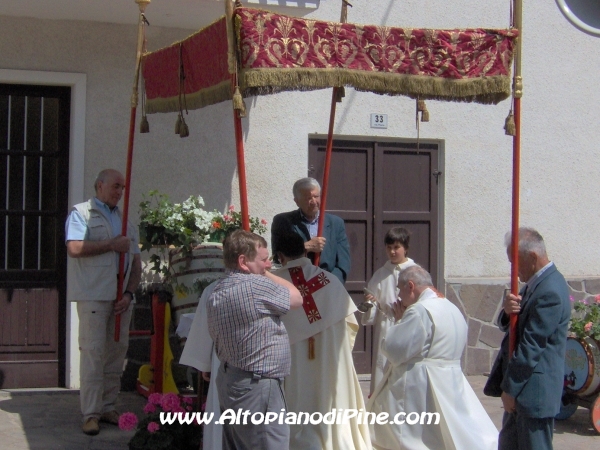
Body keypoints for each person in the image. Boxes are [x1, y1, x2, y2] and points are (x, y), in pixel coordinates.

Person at [367, 266, 498, 450]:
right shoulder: (452, 308)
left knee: (415, 439)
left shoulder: (419, 311)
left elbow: (395, 349)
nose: (398, 295)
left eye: (400, 288)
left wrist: (398, 322)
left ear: (410, 286)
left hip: (419, 387)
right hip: (450, 381)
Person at [273, 233, 371, 450]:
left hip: (294, 362)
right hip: (329, 358)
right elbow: (350, 324)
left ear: (280, 256)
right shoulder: (329, 280)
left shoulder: (274, 284)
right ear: (305, 250)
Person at [206, 230, 303, 450]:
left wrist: (258, 267)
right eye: (264, 259)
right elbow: (297, 297)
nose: (269, 264)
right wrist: (264, 274)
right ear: (243, 261)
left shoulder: (216, 290)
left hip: (230, 379)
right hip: (257, 385)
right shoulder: (255, 287)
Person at [65, 168, 141, 436]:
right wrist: (110, 244)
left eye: (122, 187)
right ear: (100, 186)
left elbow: (136, 263)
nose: (120, 191)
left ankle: (108, 406)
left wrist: (129, 294)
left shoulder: (125, 221)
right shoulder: (81, 214)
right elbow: (74, 248)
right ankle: (91, 413)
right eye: (115, 186)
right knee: (94, 354)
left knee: (115, 355)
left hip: (121, 300)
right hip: (94, 297)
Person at [495, 228, 570, 450]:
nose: (514, 270)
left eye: (515, 262)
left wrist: (510, 389)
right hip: (522, 394)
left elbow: (532, 345)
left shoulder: (550, 290)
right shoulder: (537, 284)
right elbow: (517, 327)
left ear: (533, 257)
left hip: (533, 394)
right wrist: (508, 313)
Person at [361, 227, 416, 395]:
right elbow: (370, 307)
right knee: (383, 368)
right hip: (386, 326)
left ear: (405, 248)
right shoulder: (380, 274)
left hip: (409, 324)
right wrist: (370, 303)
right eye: (389, 247)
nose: (392, 252)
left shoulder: (415, 271)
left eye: (396, 247)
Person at [271, 177, 351, 284]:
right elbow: (277, 258)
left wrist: (328, 283)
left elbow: (343, 263)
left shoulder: (336, 223)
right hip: (297, 285)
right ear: (297, 201)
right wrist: (305, 247)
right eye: (307, 198)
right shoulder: (283, 222)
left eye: (316, 196)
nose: (313, 202)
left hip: (328, 285)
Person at [179, 280, 223, 450]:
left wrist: (205, 365)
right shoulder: (271, 287)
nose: (269, 264)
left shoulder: (214, 289)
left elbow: (202, 344)